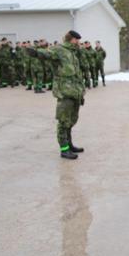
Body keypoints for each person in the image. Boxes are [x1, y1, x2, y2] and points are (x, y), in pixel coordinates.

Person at [27, 30, 85, 160]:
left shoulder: (73, 53)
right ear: (71, 39)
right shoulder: (59, 50)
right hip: (64, 91)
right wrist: (35, 51)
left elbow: (77, 75)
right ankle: (64, 149)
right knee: (63, 121)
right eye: (77, 40)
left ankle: (69, 144)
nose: (78, 42)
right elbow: (45, 53)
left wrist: (81, 93)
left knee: (71, 120)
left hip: (75, 92)